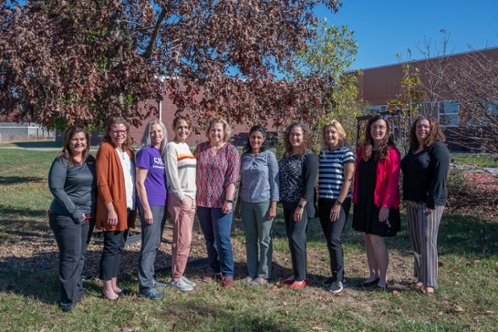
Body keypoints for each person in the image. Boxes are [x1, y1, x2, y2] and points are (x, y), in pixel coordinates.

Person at [48, 125, 97, 312]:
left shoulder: (90, 160)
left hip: (88, 216)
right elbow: (56, 188)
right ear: (68, 140)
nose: (79, 143)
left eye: (82, 139)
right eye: (75, 139)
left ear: (87, 142)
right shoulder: (62, 161)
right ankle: (67, 300)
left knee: (81, 255)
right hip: (65, 215)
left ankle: (77, 290)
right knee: (70, 256)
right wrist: (75, 212)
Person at [401, 116, 450, 296]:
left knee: (428, 239)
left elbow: (440, 176)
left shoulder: (438, 147)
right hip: (412, 200)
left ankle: (429, 282)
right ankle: (420, 277)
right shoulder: (414, 148)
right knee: (416, 239)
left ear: (432, 129)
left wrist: (433, 200)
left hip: (429, 202)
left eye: (426, 126)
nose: (422, 129)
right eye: (419, 126)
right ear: (414, 129)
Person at [352, 115, 401, 291]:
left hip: (381, 203)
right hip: (364, 201)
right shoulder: (362, 150)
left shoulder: (392, 152)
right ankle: (373, 274)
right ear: (369, 130)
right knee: (367, 238)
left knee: (376, 239)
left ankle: (383, 278)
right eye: (374, 127)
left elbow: (393, 182)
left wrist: (386, 206)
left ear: (387, 130)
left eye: (381, 127)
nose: (377, 130)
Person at [194, 116, 240, 287]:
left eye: (219, 130)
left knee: (222, 238)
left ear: (224, 132)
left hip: (221, 202)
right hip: (202, 201)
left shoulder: (231, 151)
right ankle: (215, 270)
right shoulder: (200, 149)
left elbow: (232, 179)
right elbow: (193, 172)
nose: (216, 133)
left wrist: (229, 200)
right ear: (209, 131)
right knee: (209, 238)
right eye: (213, 129)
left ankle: (228, 273)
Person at [95, 117, 137, 300]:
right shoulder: (106, 149)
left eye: (122, 131)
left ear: (126, 132)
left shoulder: (128, 153)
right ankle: (106, 288)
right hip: (113, 208)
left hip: (127, 206)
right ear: (109, 132)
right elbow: (102, 182)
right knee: (111, 246)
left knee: (119, 246)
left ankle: (114, 284)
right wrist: (110, 208)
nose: (119, 134)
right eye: (115, 131)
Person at [235, 125, 279, 286]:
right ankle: (251, 272)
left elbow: (275, 182)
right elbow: (241, 182)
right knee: (250, 238)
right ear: (249, 138)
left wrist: (273, 205)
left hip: (264, 202)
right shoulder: (244, 157)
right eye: (253, 137)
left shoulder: (269, 156)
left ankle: (263, 274)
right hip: (247, 202)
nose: (256, 140)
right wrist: (237, 205)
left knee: (265, 239)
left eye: (259, 137)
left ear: (264, 139)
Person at [278, 122, 318, 289]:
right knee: (291, 238)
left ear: (304, 136)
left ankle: (301, 277)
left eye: (298, 135)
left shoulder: (309, 156)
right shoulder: (287, 155)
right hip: (287, 204)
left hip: (300, 205)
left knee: (297, 238)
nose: (294, 137)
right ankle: (296, 272)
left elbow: (309, 185)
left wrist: (301, 205)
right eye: (292, 134)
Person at [318, 120, 354, 293]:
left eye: (333, 132)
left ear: (340, 134)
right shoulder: (323, 153)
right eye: (327, 133)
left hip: (339, 202)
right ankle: (336, 275)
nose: (330, 135)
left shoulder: (346, 153)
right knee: (329, 240)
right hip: (323, 202)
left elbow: (348, 180)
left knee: (334, 238)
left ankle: (338, 280)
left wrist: (338, 203)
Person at [136, 119, 168, 300]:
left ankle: (150, 277)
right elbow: (139, 183)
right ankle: (145, 287)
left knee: (155, 243)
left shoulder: (160, 153)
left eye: (159, 131)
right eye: (153, 131)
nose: (156, 134)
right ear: (148, 134)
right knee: (149, 245)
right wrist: (146, 209)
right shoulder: (145, 153)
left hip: (161, 204)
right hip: (151, 204)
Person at [166, 115, 197, 291]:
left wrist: (193, 198)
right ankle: (176, 278)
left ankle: (180, 273)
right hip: (180, 198)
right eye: (180, 127)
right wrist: (182, 197)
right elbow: (172, 175)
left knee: (186, 239)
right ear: (174, 128)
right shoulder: (172, 147)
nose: (183, 130)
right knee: (181, 240)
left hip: (190, 198)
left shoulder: (186, 147)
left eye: (186, 128)